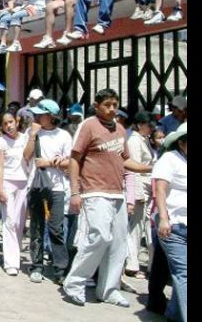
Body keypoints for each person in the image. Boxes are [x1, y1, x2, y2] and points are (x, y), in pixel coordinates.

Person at [62, 89, 153, 308]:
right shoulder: (88, 125)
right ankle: (74, 283)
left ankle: (108, 290)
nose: (112, 109)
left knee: (118, 243)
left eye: (115, 104)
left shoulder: (121, 129)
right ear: (96, 105)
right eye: (108, 105)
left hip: (117, 193)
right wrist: (75, 192)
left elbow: (125, 160)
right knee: (100, 237)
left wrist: (148, 168)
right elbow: (74, 159)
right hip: (94, 191)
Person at [26, 99, 73, 285]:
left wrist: (50, 162)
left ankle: (60, 269)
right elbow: (26, 156)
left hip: (57, 187)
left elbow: (71, 161)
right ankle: (36, 265)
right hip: (36, 185)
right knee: (36, 227)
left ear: (51, 116)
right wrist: (32, 135)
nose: (37, 117)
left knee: (56, 228)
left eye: (41, 114)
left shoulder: (64, 136)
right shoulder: (34, 133)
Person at [152, 123, 187, 322]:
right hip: (173, 226)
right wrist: (164, 218)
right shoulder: (169, 159)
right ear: (182, 142)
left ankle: (173, 315)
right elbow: (161, 190)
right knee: (184, 274)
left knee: (181, 275)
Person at [0, 111, 32, 276]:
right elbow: (0, 166)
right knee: (9, 221)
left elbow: (30, 157)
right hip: (8, 183)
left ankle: (15, 257)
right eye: (5, 123)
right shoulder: (2, 141)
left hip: (23, 184)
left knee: (19, 223)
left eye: (10, 122)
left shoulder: (25, 139)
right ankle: (10, 262)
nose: (8, 126)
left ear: (17, 122)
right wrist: (0, 188)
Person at [125, 111, 156, 278]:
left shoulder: (144, 140)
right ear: (139, 125)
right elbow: (133, 168)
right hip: (140, 189)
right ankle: (132, 263)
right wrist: (136, 194)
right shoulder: (134, 141)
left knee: (145, 227)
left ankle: (146, 264)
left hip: (148, 188)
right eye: (148, 125)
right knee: (136, 227)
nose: (151, 128)